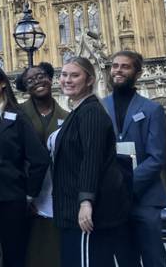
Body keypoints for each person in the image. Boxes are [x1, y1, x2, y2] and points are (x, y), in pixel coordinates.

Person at [52, 57, 131, 267]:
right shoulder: (78, 112)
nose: (67, 80)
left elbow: (91, 159)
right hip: (71, 210)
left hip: (85, 213)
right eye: (64, 75)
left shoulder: (91, 112)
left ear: (90, 80)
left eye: (74, 75)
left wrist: (86, 201)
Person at [0, 63, 49, 267]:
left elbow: (39, 159)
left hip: (12, 196)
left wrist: (30, 193)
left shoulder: (19, 117)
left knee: (14, 253)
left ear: (3, 82)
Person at [102, 50, 166, 267]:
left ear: (138, 73)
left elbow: (156, 157)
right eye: (115, 66)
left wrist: (127, 184)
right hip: (115, 202)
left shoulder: (152, 109)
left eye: (125, 66)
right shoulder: (100, 107)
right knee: (125, 259)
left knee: (153, 259)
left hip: (145, 198)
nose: (118, 70)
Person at [16, 62, 69, 267]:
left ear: (50, 78)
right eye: (30, 80)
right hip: (25, 189)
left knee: (52, 249)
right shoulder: (18, 114)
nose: (37, 81)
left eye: (41, 76)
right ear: (25, 88)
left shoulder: (66, 115)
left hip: (55, 191)